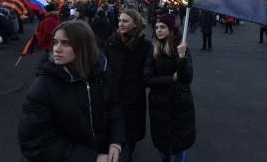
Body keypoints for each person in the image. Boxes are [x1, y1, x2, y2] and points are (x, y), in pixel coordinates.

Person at [18, 20, 125, 162]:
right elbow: (34, 143)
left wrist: (116, 142)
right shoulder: (43, 85)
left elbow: (114, 110)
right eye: (55, 42)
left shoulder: (102, 73)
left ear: (83, 46)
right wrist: (93, 159)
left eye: (65, 43)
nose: (57, 48)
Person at [144, 14, 196, 162]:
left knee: (180, 144)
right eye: (156, 27)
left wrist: (182, 58)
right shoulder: (153, 48)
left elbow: (186, 78)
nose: (158, 30)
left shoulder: (182, 47)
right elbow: (147, 79)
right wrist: (170, 79)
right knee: (162, 144)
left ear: (171, 29)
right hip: (159, 104)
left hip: (180, 102)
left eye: (163, 27)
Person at [104, 9, 151, 162]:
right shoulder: (111, 42)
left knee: (130, 138)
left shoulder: (145, 46)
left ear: (135, 24)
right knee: (113, 136)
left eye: (125, 21)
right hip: (112, 98)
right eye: (119, 21)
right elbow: (103, 67)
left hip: (133, 101)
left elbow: (148, 73)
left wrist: (136, 89)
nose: (121, 24)